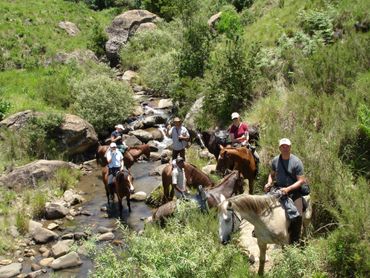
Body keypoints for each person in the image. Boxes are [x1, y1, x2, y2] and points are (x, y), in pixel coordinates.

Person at [264, 138, 306, 244]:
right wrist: (269, 183)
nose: (285, 148)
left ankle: (295, 239)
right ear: (279, 148)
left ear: (290, 147)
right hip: (278, 188)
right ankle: (261, 231)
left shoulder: (296, 162)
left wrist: (288, 189)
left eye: (287, 146)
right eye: (283, 146)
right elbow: (271, 174)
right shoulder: (275, 160)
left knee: (298, 214)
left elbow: (301, 180)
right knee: (263, 205)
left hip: (293, 190)